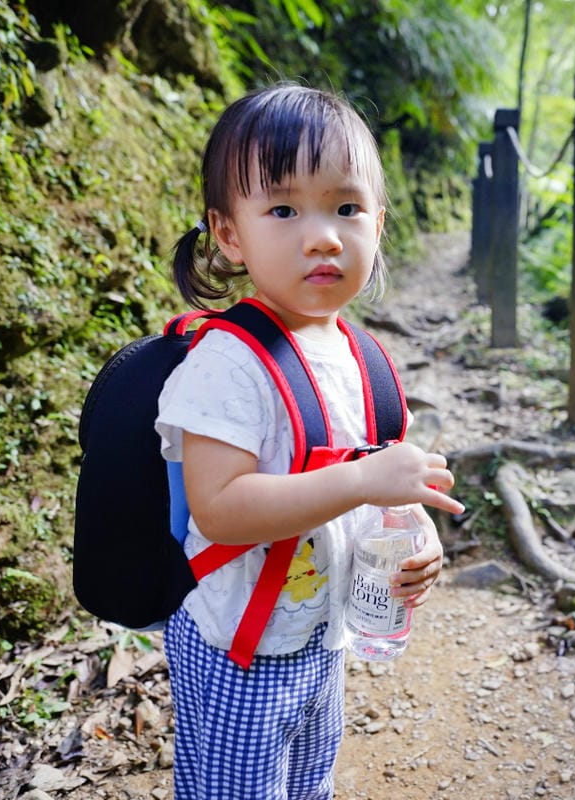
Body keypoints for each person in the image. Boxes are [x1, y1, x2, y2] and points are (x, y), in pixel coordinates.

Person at [154, 83, 464, 800]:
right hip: (237, 650)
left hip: (322, 636)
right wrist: (361, 482)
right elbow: (220, 508)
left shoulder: (365, 361)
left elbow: (380, 486)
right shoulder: (228, 364)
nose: (323, 235)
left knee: (308, 783)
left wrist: (417, 537)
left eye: (346, 208)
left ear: (377, 224)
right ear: (229, 233)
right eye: (284, 209)